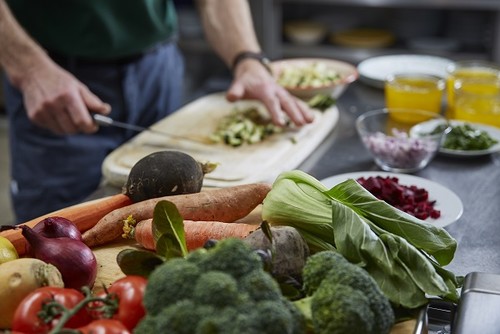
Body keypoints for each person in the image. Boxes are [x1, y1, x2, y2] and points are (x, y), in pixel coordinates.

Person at [0, 0, 314, 224]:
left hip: (156, 66)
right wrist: (28, 68)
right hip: (52, 72)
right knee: (55, 231)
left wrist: (247, 58)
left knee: (169, 216)